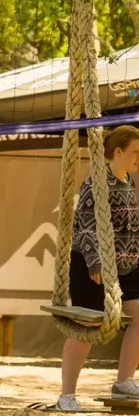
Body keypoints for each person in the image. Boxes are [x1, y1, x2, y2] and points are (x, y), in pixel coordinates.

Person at [52, 125, 139, 411]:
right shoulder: (96, 183)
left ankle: (124, 381)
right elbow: (87, 227)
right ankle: (67, 395)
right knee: (86, 326)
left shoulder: (130, 181)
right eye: (135, 152)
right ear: (118, 152)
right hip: (92, 263)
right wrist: (95, 261)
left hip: (126, 262)